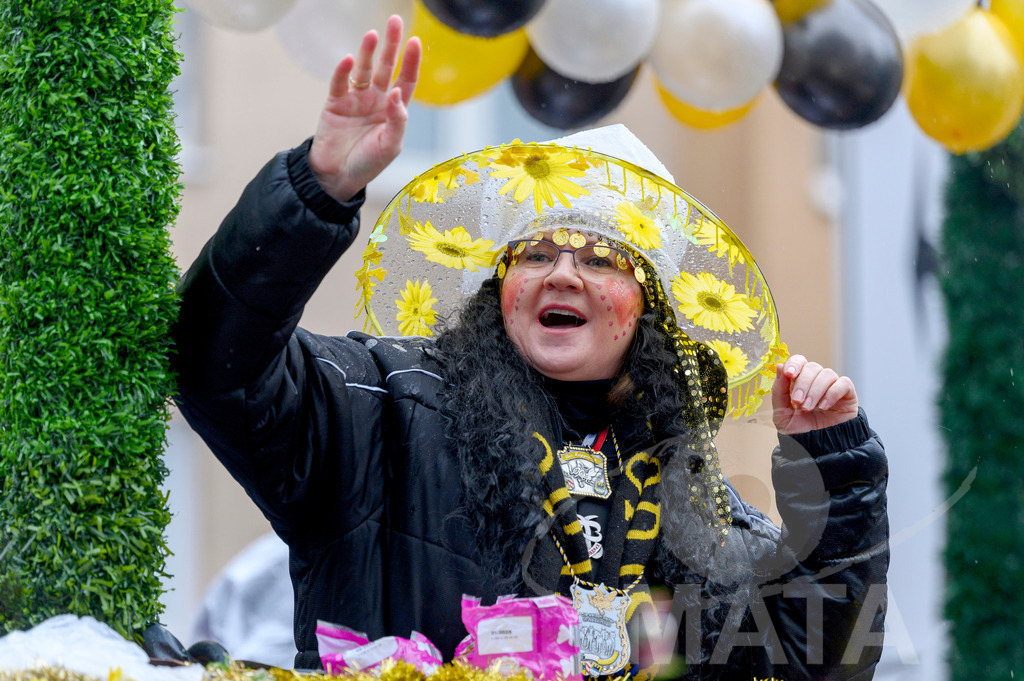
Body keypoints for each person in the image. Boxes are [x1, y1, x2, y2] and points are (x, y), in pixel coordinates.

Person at [172, 15, 888, 680]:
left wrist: (835, 462)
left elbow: (821, 656)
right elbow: (218, 363)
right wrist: (318, 189)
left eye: (602, 260)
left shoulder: (698, 502)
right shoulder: (380, 409)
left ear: (649, 313)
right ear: (501, 290)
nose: (563, 273)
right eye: (536, 253)